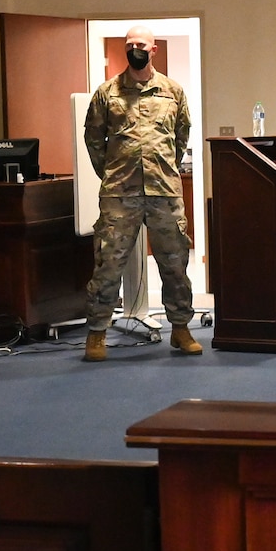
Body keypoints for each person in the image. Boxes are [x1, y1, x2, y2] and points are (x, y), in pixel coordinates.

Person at [79, 25, 202, 361]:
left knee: (175, 263)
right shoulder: (108, 93)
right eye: (130, 44)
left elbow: (181, 136)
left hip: (164, 191)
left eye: (142, 45)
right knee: (108, 265)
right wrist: (114, 174)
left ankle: (180, 328)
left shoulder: (172, 91)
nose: (136, 49)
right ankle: (97, 333)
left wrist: (165, 167)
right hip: (120, 193)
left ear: (154, 49)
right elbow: (94, 140)